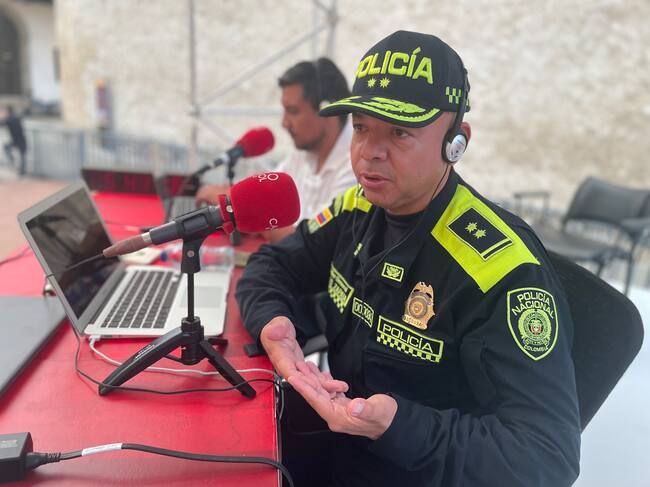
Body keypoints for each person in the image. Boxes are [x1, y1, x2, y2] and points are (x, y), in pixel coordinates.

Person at [235, 30, 581, 486]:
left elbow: (546, 458)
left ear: (456, 142)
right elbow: (271, 264)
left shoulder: (499, 269)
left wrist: (398, 426)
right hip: (343, 443)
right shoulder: (358, 208)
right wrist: (273, 324)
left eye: (399, 132)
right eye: (361, 127)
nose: (368, 153)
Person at [195, 57, 357, 242]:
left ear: (329, 111)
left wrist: (231, 206)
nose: (284, 123)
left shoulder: (356, 165)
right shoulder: (302, 153)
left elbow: (310, 242)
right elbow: (265, 199)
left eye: (293, 111)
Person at [1, 106, 28, 176]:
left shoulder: (10, 119)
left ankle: (17, 166)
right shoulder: (16, 118)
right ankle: (21, 171)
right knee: (22, 156)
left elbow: (2, 123)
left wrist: (2, 118)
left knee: (21, 156)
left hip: (18, 140)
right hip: (21, 140)